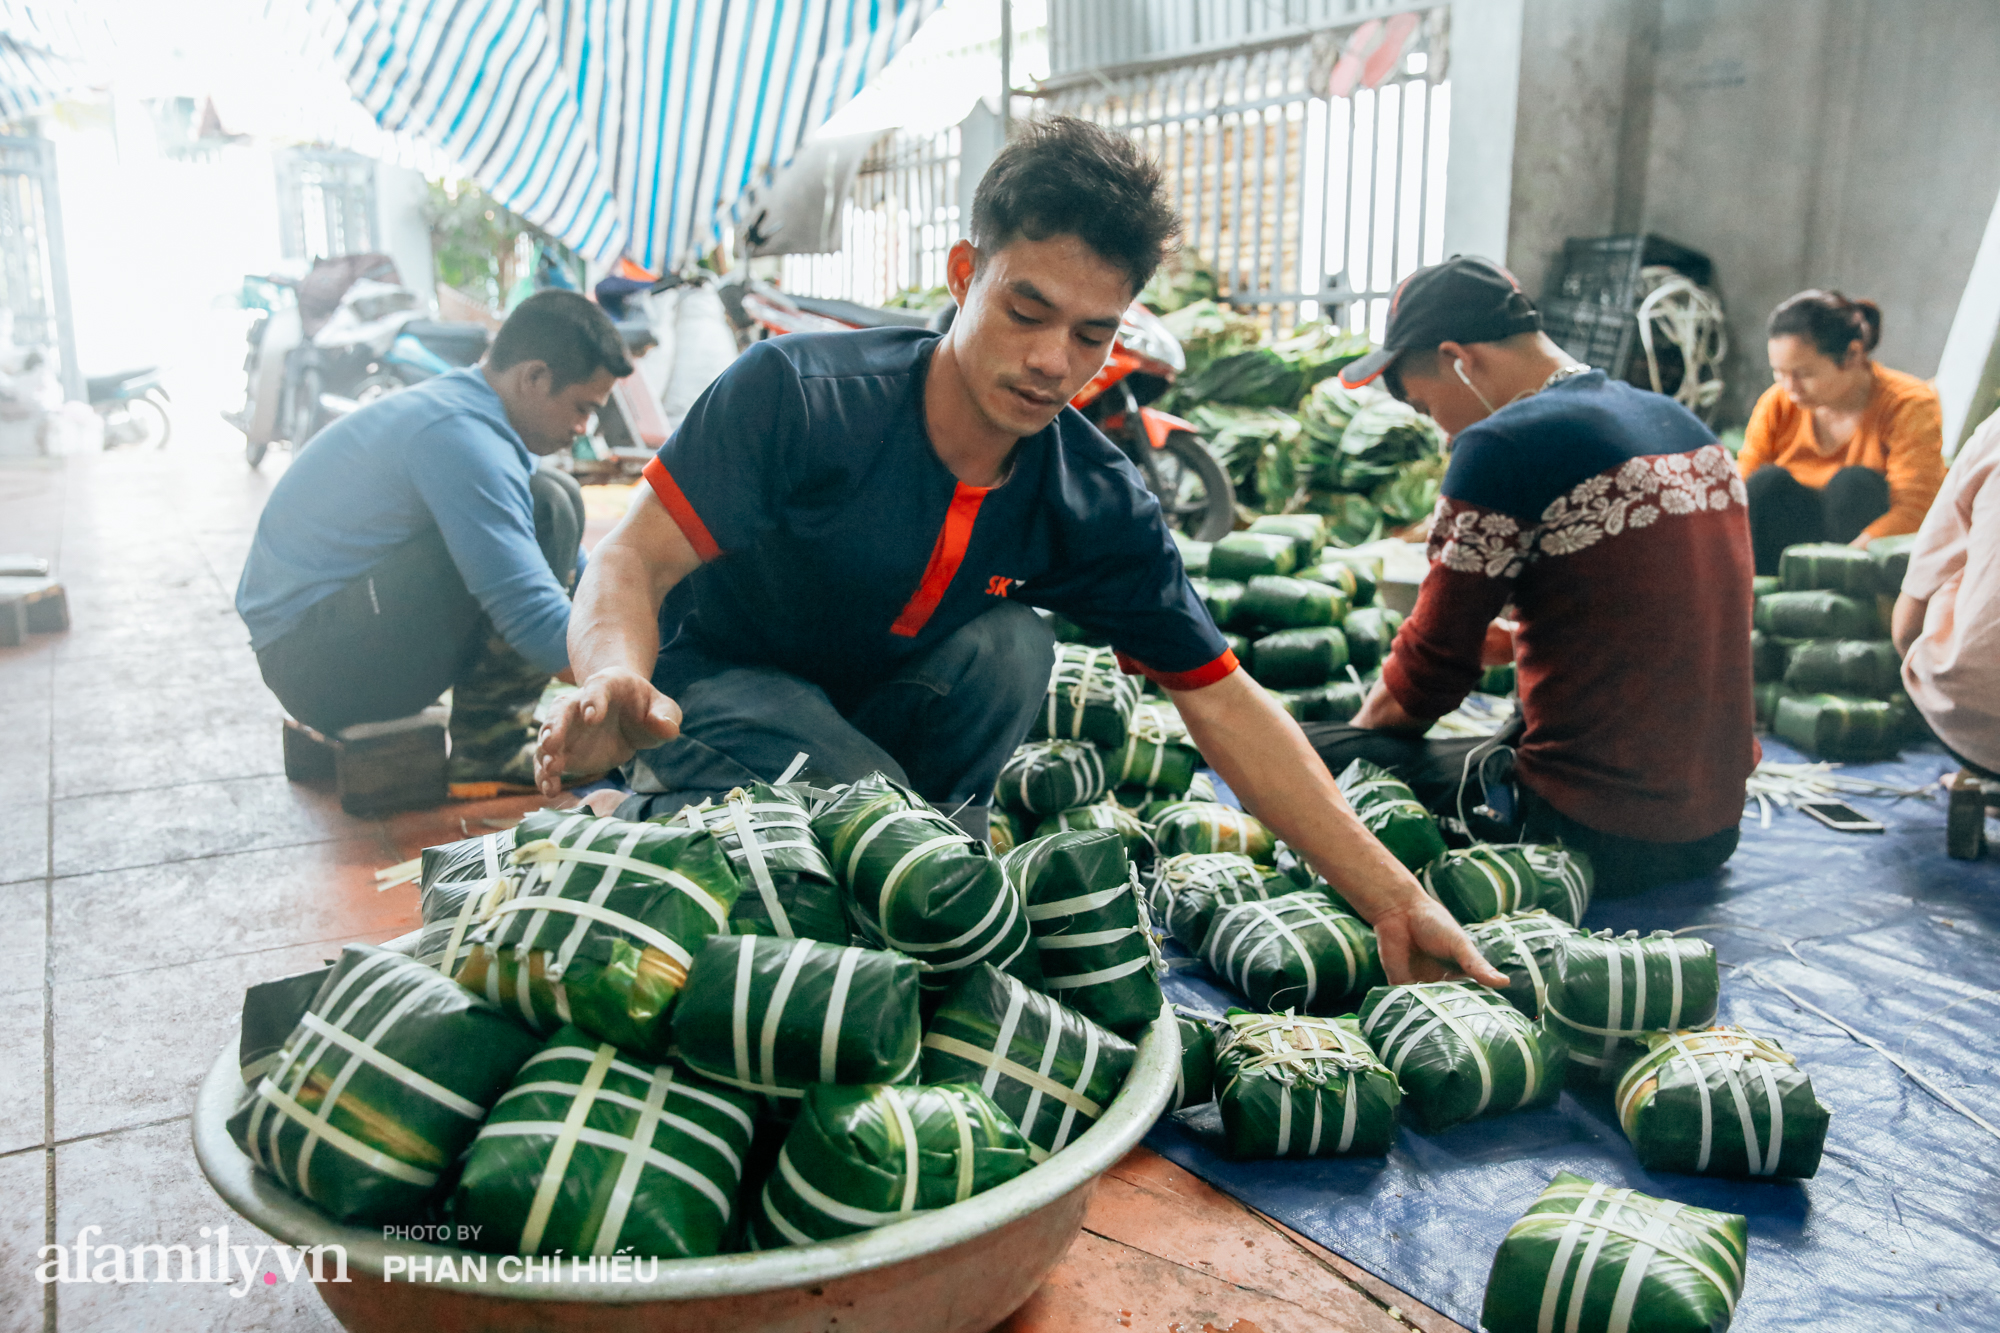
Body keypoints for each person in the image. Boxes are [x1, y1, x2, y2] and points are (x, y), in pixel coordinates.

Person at [535, 117, 1502, 987]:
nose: (1053, 361)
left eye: (1092, 333)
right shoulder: (797, 393)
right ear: (965, 276)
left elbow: (1225, 704)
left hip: (866, 706)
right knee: (864, 811)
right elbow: (629, 560)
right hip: (714, 689)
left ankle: (908, 855)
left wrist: (1394, 896)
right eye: (1025, 311)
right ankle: (699, 817)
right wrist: (614, 678)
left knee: (1013, 643)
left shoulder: (1090, 496)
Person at [1305, 256, 1759, 897]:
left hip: (1592, 830)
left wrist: (1347, 757)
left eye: (1427, 405)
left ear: (1460, 358)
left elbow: (1430, 673)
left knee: (1299, 755)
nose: (1441, 432)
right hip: (1711, 824)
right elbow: (1657, 618)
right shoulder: (1681, 423)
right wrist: (1520, 641)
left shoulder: (1505, 445)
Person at [237, 289, 632, 791]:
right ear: (534, 377)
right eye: (581, 408)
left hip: (321, 641)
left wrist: (636, 636)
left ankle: (493, 731)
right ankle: (492, 747)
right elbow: (531, 615)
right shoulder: (459, 435)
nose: (582, 429)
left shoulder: (471, 413)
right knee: (548, 505)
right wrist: (636, 686)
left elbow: (576, 577)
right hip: (318, 666)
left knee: (555, 497)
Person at [1737, 290, 1946, 575]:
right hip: (1787, 544)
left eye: (1804, 374)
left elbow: (1916, 508)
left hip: (1861, 546)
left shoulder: (1908, 403)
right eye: (1779, 373)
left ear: (1852, 355)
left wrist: (1840, 563)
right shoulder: (1777, 403)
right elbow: (1739, 490)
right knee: (1765, 483)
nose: (1790, 387)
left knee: (1853, 484)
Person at [1891, 406, 2000, 853]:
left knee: (1962, 573)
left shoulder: (1994, 430)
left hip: (1975, 716)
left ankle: (1987, 774)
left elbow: (1909, 618)